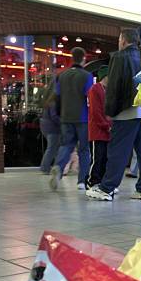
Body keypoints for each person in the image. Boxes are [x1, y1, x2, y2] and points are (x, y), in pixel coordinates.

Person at [86, 28, 141, 202]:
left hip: (125, 110)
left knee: (118, 150)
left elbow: (114, 87)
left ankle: (107, 187)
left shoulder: (119, 57)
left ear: (123, 40)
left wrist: (110, 111)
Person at [49, 47, 93, 191]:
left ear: (72, 58)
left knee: (66, 145)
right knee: (84, 149)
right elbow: (89, 98)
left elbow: (57, 97)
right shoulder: (87, 76)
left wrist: (59, 115)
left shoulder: (62, 76)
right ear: (84, 58)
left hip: (66, 117)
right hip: (83, 117)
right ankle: (82, 181)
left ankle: (58, 167)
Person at [87, 66, 112, 188]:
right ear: (105, 76)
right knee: (97, 158)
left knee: (105, 158)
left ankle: (102, 181)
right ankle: (92, 181)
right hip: (97, 130)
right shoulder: (95, 89)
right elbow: (95, 111)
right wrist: (106, 125)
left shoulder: (109, 90)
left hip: (107, 130)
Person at [39, 82, 60, 174]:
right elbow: (54, 117)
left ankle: (55, 167)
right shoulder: (54, 102)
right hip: (53, 129)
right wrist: (63, 122)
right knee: (52, 148)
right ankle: (45, 168)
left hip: (47, 127)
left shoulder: (48, 101)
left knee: (53, 148)